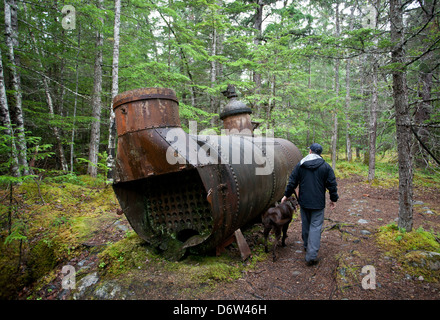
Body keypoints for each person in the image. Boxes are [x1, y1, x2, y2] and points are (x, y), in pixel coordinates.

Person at [281, 143, 339, 266]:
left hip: (304, 202)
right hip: (318, 203)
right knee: (316, 227)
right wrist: (333, 199)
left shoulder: (300, 165)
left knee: (306, 224)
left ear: (310, 151)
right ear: (319, 153)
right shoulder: (325, 166)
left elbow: (292, 181)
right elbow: (332, 184)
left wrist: (286, 195)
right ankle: (311, 255)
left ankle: (307, 246)